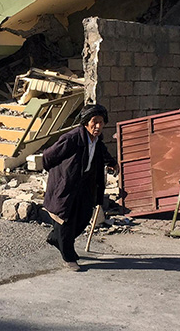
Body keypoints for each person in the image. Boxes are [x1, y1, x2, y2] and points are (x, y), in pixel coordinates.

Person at [42, 103, 116, 271]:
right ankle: (68, 257)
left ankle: (56, 239)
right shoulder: (72, 138)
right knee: (65, 220)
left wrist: (112, 163)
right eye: (94, 122)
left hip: (85, 185)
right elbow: (48, 156)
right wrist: (59, 176)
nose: (98, 126)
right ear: (85, 122)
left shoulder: (97, 141)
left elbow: (102, 153)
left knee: (83, 217)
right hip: (67, 185)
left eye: (102, 122)